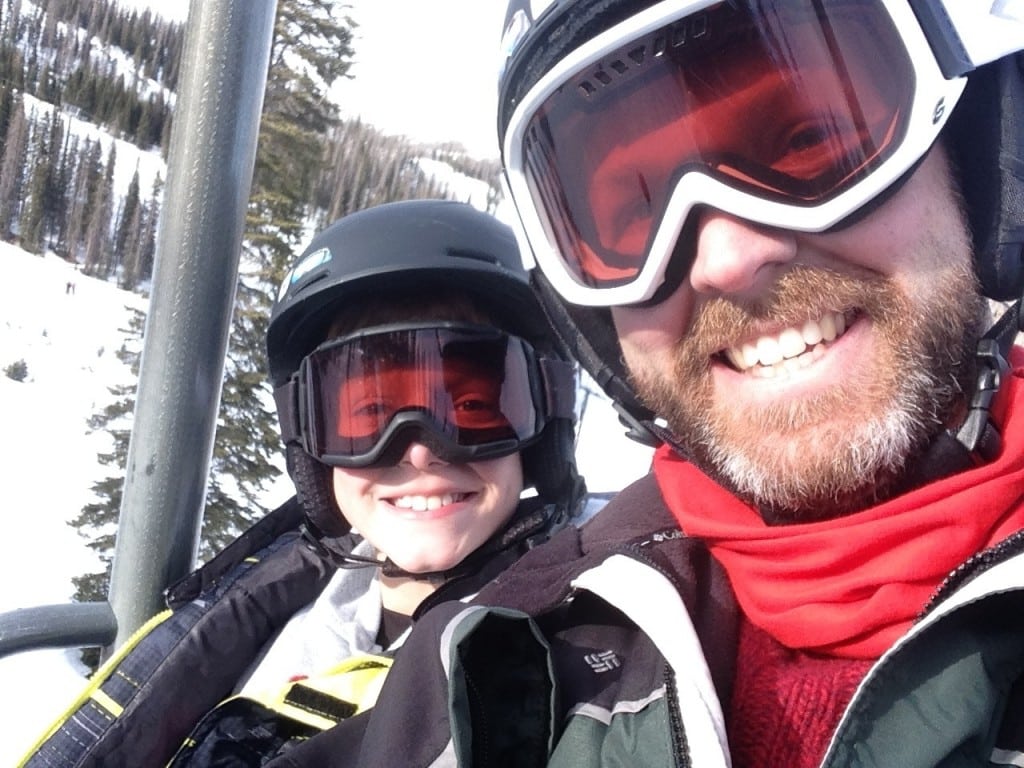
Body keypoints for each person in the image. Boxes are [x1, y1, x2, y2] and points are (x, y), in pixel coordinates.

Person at [257, 2, 1024, 767]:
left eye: (810, 138)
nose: (727, 257)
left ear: (978, 145)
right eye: (634, 211)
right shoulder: (501, 670)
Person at [18, 199, 585, 766]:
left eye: (471, 405)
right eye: (367, 416)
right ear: (310, 445)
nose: (418, 449)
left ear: (541, 423)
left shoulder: (584, 653)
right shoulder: (282, 620)